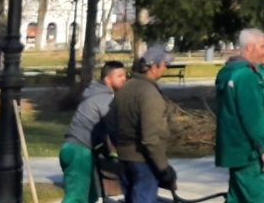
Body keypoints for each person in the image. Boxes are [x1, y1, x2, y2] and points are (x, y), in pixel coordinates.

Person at [215, 29, 264, 203]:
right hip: (250, 154)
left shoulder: (226, 73)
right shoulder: (246, 76)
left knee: (237, 197)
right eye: (263, 47)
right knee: (259, 198)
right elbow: (252, 117)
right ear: (249, 47)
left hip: (234, 150)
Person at [110, 46, 177, 203]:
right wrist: (164, 168)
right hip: (143, 161)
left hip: (124, 158)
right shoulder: (150, 93)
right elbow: (150, 138)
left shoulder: (125, 88)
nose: (166, 68)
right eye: (165, 64)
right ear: (154, 67)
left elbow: (111, 124)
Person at [60, 61, 127, 203]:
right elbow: (114, 128)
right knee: (75, 199)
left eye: (124, 75)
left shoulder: (93, 92)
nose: (124, 79)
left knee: (91, 197)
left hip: (74, 149)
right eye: (119, 76)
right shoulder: (105, 99)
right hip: (79, 152)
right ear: (108, 79)